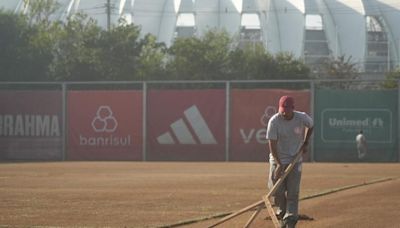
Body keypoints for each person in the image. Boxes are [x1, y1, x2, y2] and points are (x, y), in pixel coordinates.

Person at [266, 95, 314, 228]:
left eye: (287, 110)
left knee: (293, 192)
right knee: (276, 190)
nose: (284, 112)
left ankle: (290, 219)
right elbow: (272, 144)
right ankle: (282, 213)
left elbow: (311, 125)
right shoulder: (274, 121)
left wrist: (306, 142)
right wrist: (279, 164)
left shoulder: (301, 117)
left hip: (295, 160)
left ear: (293, 108)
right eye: (282, 109)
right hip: (277, 159)